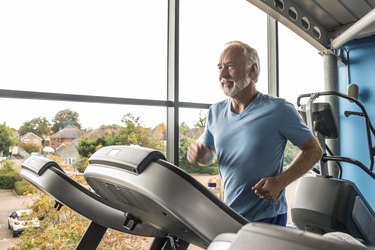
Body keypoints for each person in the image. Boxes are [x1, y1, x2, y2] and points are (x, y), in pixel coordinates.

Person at [187, 40, 322, 226]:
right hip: (230, 214)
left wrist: (280, 181)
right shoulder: (215, 112)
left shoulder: (279, 109)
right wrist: (199, 155)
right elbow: (208, 155)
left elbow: (314, 150)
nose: (222, 74)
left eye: (230, 66)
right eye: (220, 67)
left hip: (267, 217)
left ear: (253, 71)